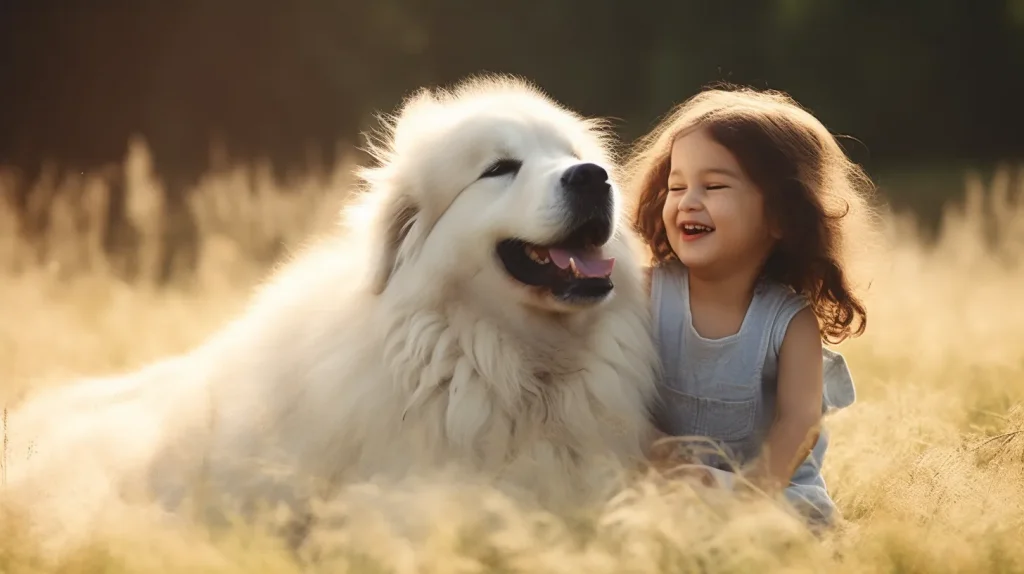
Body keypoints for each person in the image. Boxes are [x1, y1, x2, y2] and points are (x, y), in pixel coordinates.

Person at [624, 85, 878, 528]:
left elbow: (798, 423)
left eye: (715, 185)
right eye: (676, 185)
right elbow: (616, 397)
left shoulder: (789, 321)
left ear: (782, 216)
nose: (688, 201)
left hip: (764, 488)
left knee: (805, 521)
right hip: (661, 476)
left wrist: (747, 500)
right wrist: (659, 457)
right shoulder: (645, 294)